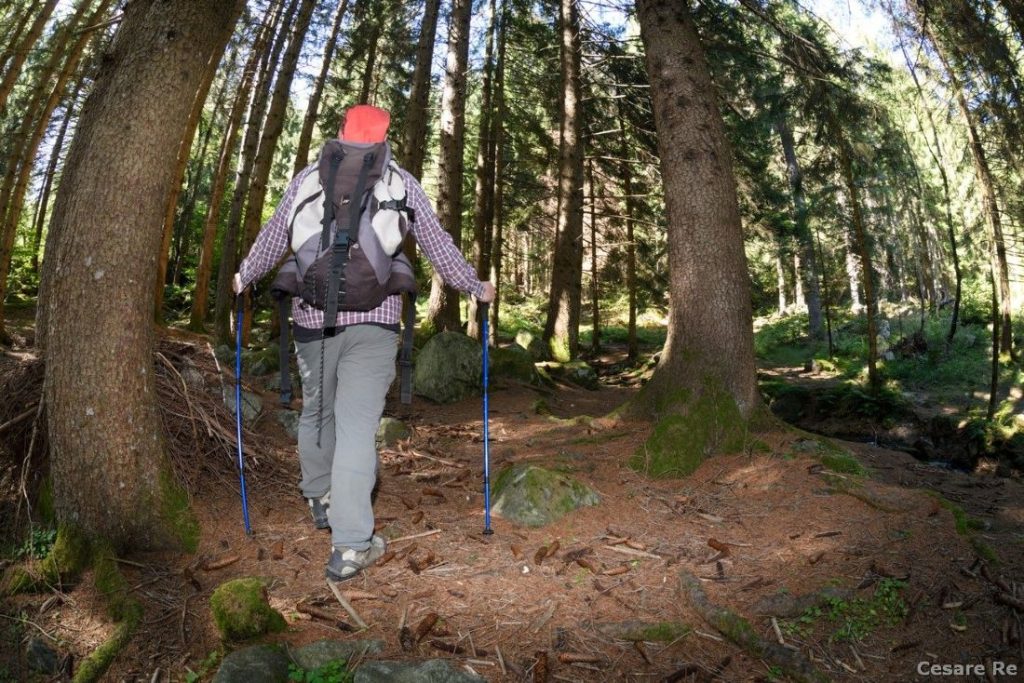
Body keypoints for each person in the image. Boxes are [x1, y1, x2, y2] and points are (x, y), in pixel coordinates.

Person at [233, 104, 494, 582]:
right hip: (376, 320)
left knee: (316, 409)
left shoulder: (309, 178)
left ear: (341, 134)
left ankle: (318, 495)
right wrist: (475, 287)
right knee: (356, 427)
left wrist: (243, 275)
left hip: (312, 320)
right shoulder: (399, 181)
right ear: (383, 138)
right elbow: (438, 244)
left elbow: (274, 237)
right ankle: (351, 546)